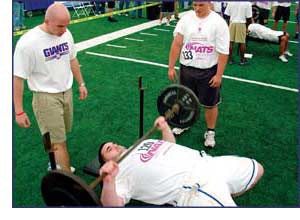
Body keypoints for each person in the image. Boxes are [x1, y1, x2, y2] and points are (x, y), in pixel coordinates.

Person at [98, 116, 264, 207]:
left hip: (209, 163)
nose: (115, 145)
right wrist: (108, 180)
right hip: (194, 188)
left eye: (113, 143)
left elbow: (169, 146)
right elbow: (112, 206)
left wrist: (164, 128)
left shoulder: (142, 143)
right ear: (105, 162)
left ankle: (225, 191)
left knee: (258, 169)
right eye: (109, 149)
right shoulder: (118, 175)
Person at [13, 3, 88, 172]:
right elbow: (18, 78)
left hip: (66, 92)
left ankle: (55, 163)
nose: (64, 30)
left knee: (61, 134)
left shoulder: (66, 33)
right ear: (47, 21)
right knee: (58, 141)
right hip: (45, 97)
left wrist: (81, 83)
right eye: (60, 26)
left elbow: (72, 59)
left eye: (66, 25)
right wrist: (19, 111)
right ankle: (68, 179)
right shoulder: (27, 44)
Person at [168, 2, 230, 148]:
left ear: (209, 3)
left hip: (208, 71)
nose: (197, 8)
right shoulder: (186, 19)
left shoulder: (219, 23)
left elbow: (223, 51)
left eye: (201, 5)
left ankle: (210, 132)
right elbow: (177, 43)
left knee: (210, 104)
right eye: (194, 4)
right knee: (184, 99)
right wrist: (171, 67)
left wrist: (219, 75)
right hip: (187, 69)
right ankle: (184, 123)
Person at [224, 1, 253, 65]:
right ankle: (242, 60)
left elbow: (227, 15)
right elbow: (249, 18)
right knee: (242, 42)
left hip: (232, 23)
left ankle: (230, 60)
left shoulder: (230, 2)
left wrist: (229, 24)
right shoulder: (247, 3)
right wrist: (247, 27)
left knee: (230, 42)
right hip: (241, 23)